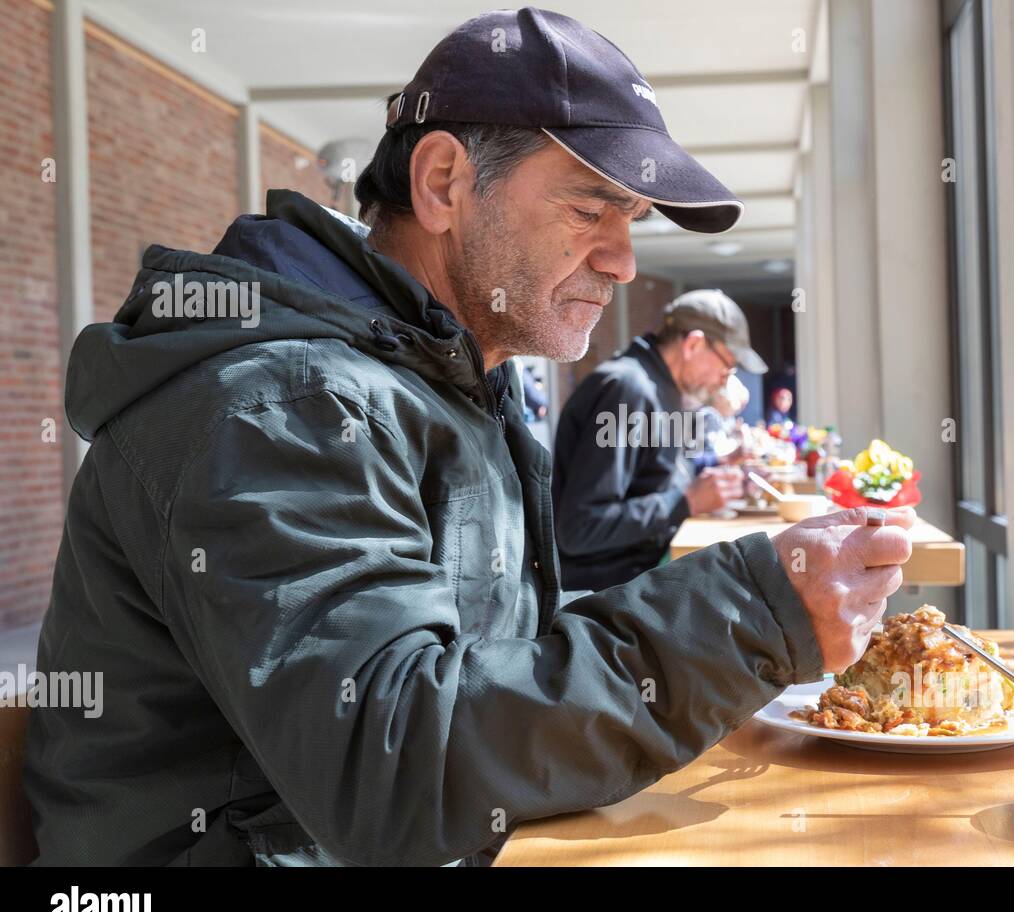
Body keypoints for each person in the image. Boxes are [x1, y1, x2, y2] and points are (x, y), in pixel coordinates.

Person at [23, 7, 912, 867]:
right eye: (588, 208)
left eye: (630, 220)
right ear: (443, 182)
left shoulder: (446, 384)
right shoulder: (286, 403)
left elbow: (470, 678)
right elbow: (393, 763)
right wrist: (746, 615)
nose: (623, 259)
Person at [552, 289, 759, 590]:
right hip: (601, 593)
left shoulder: (664, 389)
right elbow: (580, 528)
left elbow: (656, 474)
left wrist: (717, 467)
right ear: (694, 344)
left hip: (640, 572)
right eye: (727, 365)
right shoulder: (627, 390)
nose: (724, 379)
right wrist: (686, 501)